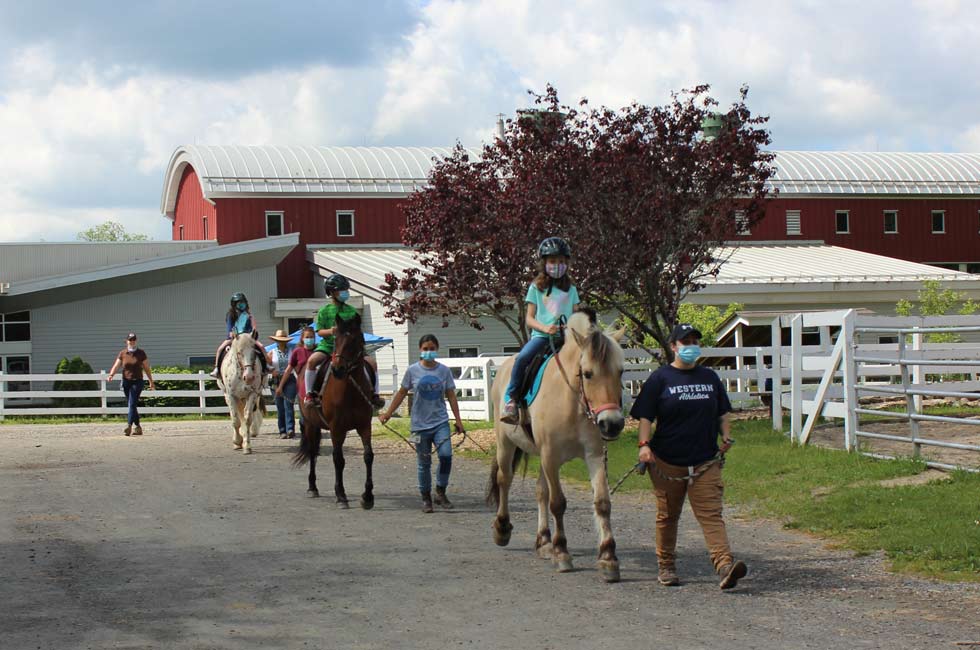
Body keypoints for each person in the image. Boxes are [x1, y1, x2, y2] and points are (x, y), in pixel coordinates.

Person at [631, 323, 748, 590]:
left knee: (711, 514)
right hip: (667, 461)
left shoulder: (709, 377)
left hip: (705, 460)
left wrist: (726, 436)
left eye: (695, 341)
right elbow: (646, 416)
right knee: (668, 516)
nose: (691, 347)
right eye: (685, 342)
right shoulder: (660, 379)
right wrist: (644, 445)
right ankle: (666, 566)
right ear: (673, 347)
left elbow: (722, 412)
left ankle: (725, 566)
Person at [380, 334, 465, 513]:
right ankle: (426, 498)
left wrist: (458, 421)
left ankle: (440, 491)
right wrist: (388, 413)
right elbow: (402, 393)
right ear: (420, 350)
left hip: (440, 422)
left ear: (437, 349)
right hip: (419, 425)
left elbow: (451, 396)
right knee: (423, 462)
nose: (428, 352)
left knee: (446, 456)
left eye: (432, 348)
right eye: (425, 349)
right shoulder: (412, 371)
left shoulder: (444, 371)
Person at [500, 236, 579, 424]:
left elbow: (576, 314)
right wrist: (546, 328)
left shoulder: (572, 289)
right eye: (552, 261)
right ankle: (511, 399)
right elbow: (529, 318)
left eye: (561, 261)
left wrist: (572, 326)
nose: (557, 265)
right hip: (542, 337)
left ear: (567, 263)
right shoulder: (536, 288)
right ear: (544, 263)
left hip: (567, 338)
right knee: (522, 359)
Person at [304, 274, 384, 408]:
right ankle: (310, 394)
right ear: (332, 292)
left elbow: (358, 331)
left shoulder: (352, 311)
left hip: (350, 348)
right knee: (312, 361)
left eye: (346, 290)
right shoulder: (324, 311)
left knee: (372, 363)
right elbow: (319, 332)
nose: (345, 293)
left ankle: (374, 394)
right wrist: (331, 331)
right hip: (328, 346)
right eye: (342, 290)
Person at [210, 292, 268, 379]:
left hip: (247, 338)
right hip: (234, 338)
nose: (241, 305)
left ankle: (266, 366)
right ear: (234, 304)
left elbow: (252, 328)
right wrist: (234, 334)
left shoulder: (248, 316)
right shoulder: (231, 315)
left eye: (243, 302)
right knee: (220, 349)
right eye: (239, 303)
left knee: (262, 347)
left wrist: (252, 333)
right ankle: (217, 369)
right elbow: (230, 329)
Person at [107, 332, 155, 436]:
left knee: (132, 403)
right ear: (127, 341)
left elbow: (146, 368)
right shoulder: (123, 353)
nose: (132, 341)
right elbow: (117, 365)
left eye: (134, 340)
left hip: (137, 381)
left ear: (136, 341)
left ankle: (128, 426)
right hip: (126, 381)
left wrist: (151, 381)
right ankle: (138, 427)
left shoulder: (141, 353)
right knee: (131, 404)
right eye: (130, 340)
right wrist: (111, 375)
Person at [268, 329, 296, 439]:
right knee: (280, 406)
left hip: (289, 379)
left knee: (288, 404)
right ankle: (282, 430)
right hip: (276, 380)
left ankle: (290, 428)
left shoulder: (292, 351)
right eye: (279, 340)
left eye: (283, 340)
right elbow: (267, 366)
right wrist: (271, 371)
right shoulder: (271, 352)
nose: (281, 342)